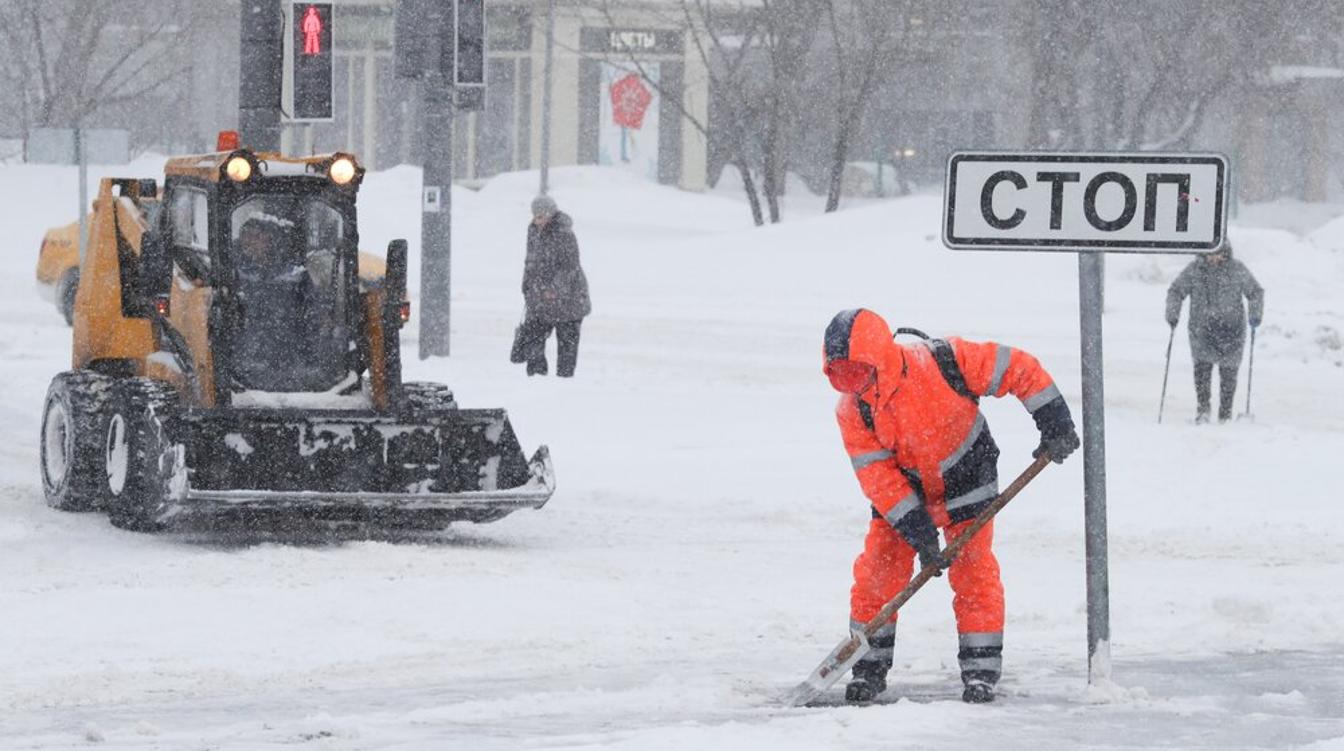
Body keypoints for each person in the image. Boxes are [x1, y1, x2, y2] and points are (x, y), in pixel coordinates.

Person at [821, 308, 1079, 705]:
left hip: (967, 474)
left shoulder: (944, 361)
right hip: (905, 492)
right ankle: (868, 669)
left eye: (856, 371)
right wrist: (918, 530)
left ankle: (981, 671)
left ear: (879, 357)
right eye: (839, 375)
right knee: (878, 573)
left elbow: (1017, 367)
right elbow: (877, 477)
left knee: (973, 571)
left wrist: (1054, 420)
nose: (851, 385)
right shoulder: (853, 409)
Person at [1165, 243, 1264, 423]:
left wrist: (1255, 314)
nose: (1213, 258)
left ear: (1225, 253)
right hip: (1201, 331)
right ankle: (1203, 409)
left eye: (1217, 253)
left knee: (1229, 375)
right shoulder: (1195, 270)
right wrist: (1173, 313)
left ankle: (1225, 414)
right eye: (1209, 253)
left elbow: (1255, 292)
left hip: (1232, 331)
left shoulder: (1237, 270)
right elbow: (1176, 291)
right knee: (1202, 372)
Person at [519, 195, 591, 377]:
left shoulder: (564, 233)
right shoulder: (533, 230)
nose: (537, 220)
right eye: (535, 216)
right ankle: (536, 378)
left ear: (550, 214)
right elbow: (530, 261)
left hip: (570, 300)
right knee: (533, 338)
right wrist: (527, 285)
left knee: (567, 346)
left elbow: (570, 266)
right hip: (540, 298)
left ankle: (564, 385)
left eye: (541, 216)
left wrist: (554, 289)